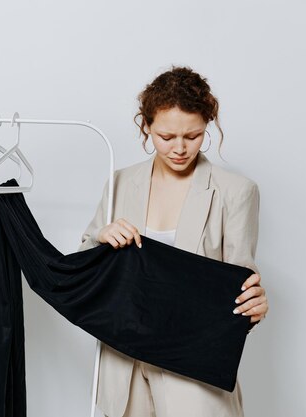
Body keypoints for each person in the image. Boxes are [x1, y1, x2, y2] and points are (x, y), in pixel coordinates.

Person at [78, 66, 269, 417]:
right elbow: (85, 271)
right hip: (124, 368)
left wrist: (253, 308)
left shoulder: (237, 192)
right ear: (146, 126)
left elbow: (240, 285)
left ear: (207, 126)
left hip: (193, 373)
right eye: (167, 137)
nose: (180, 148)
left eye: (193, 136)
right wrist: (101, 237)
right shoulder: (119, 182)